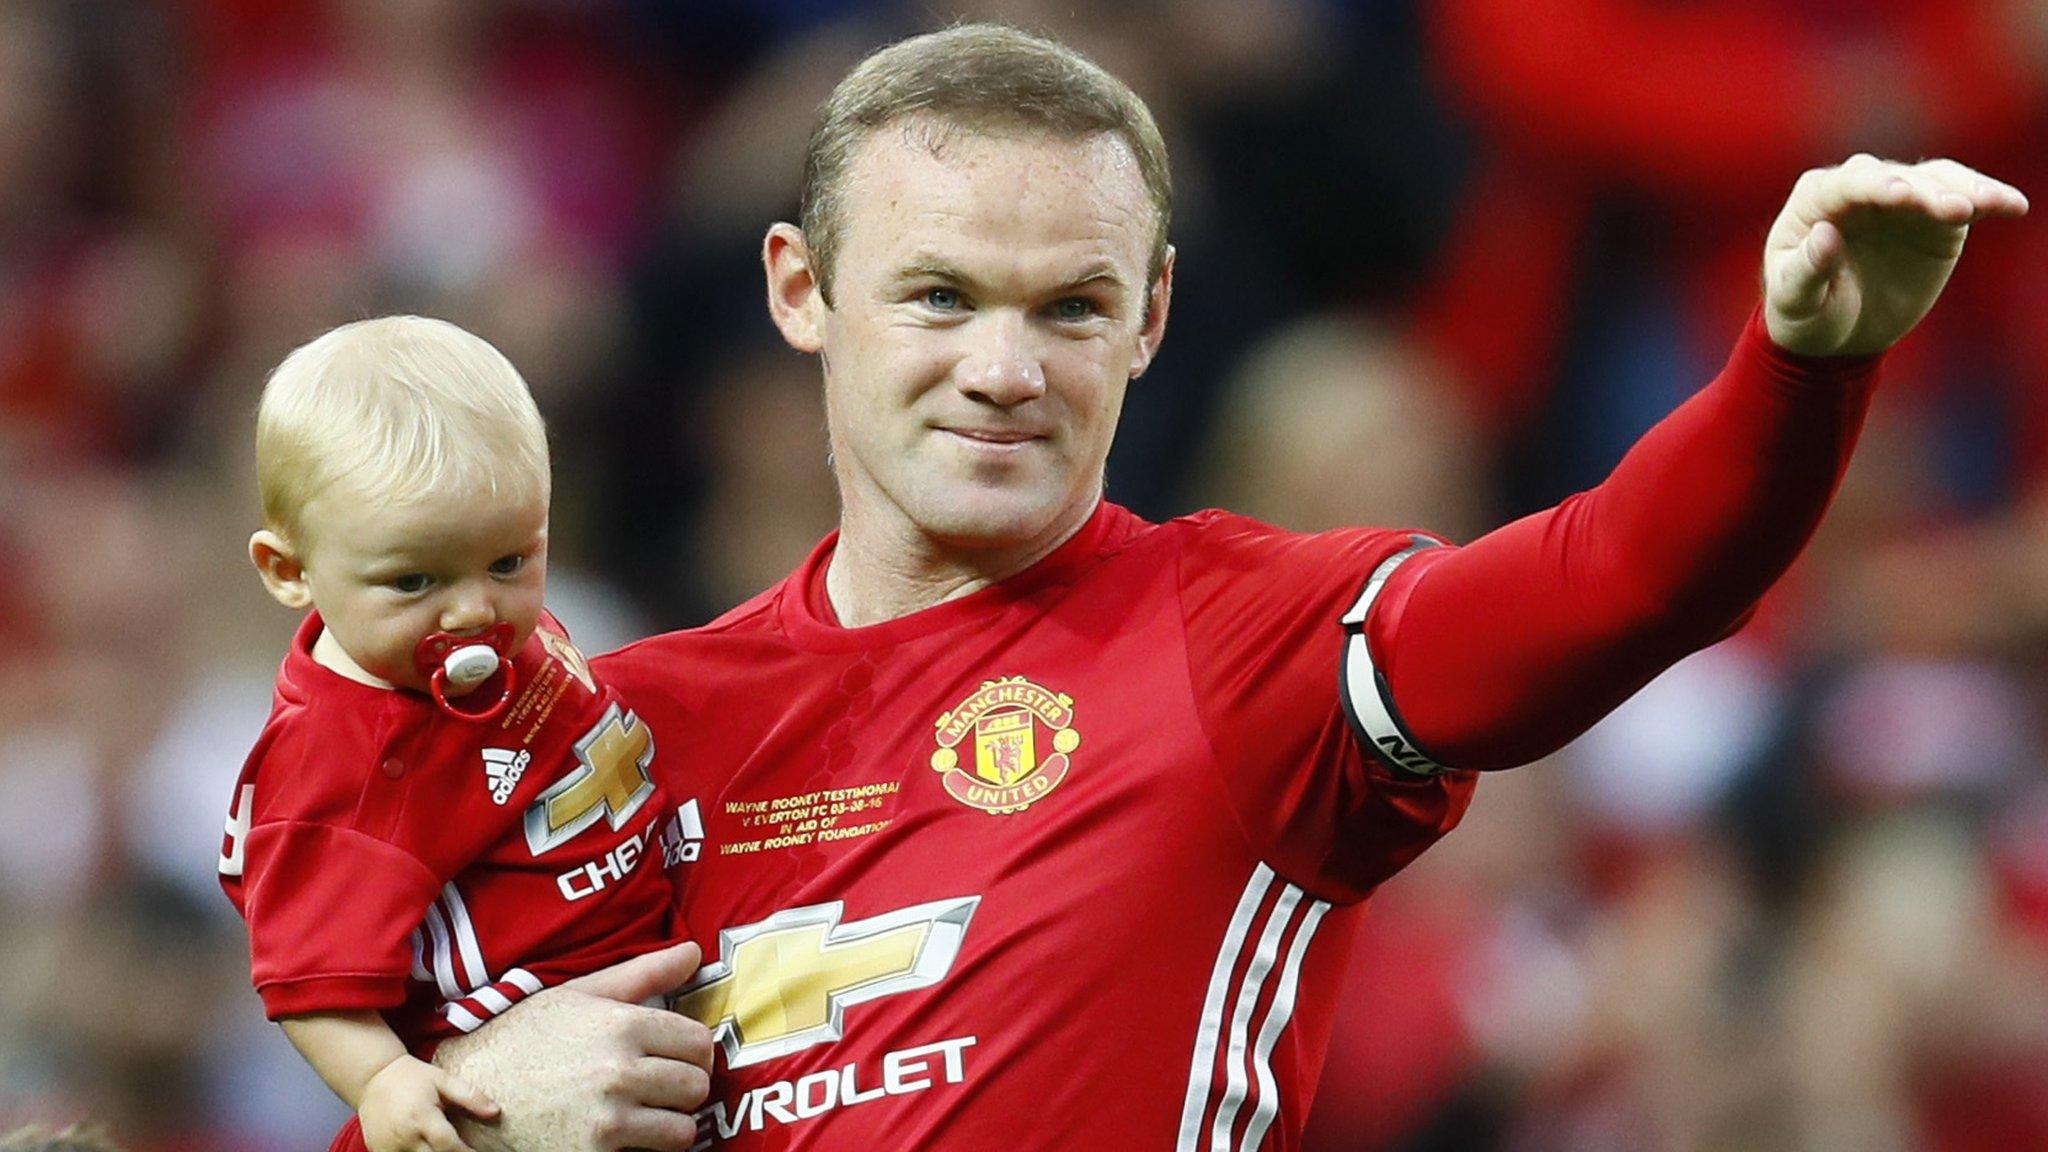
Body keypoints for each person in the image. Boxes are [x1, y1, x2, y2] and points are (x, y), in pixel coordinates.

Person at [354, 23, 2024, 1152]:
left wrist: (1801, 359)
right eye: (936, 295)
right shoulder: (623, 738)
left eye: (1068, 307)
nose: (1002, 368)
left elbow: (1621, 578)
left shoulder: (1249, 639)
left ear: (1149, 319)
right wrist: (474, 1100)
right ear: (801, 290)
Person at [217, 317, 694, 1152]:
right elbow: (308, 981)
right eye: (413, 580)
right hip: (543, 1050)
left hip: (649, 955)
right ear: (289, 571)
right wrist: (382, 1081)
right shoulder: (344, 771)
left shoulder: (480, 625)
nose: (475, 609)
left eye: (510, 562)